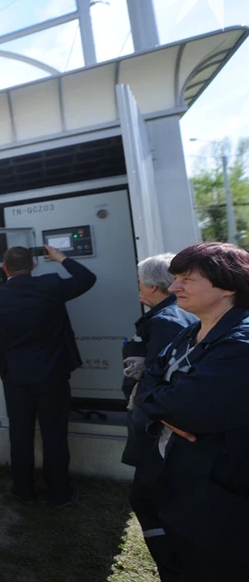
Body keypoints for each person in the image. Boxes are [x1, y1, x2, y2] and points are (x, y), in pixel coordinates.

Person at [134, 243, 249, 580]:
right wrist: (160, 402)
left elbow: (187, 408)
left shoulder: (241, 344)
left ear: (227, 286)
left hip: (212, 491)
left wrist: (156, 401)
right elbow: (149, 382)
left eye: (186, 279)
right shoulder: (192, 331)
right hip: (171, 471)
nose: (173, 288)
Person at [0, 245, 96, 507]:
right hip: (53, 375)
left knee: (20, 434)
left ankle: (24, 491)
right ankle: (59, 494)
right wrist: (60, 257)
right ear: (33, 265)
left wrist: (3, 365)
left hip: (16, 378)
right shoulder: (51, 285)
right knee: (55, 434)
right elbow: (87, 278)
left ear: (4, 268)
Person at [120, 253, 196, 582]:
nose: (138, 287)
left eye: (140, 281)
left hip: (159, 427)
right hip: (164, 424)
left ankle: (173, 567)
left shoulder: (165, 321)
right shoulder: (174, 314)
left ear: (152, 286)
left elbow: (165, 378)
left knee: (146, 496)